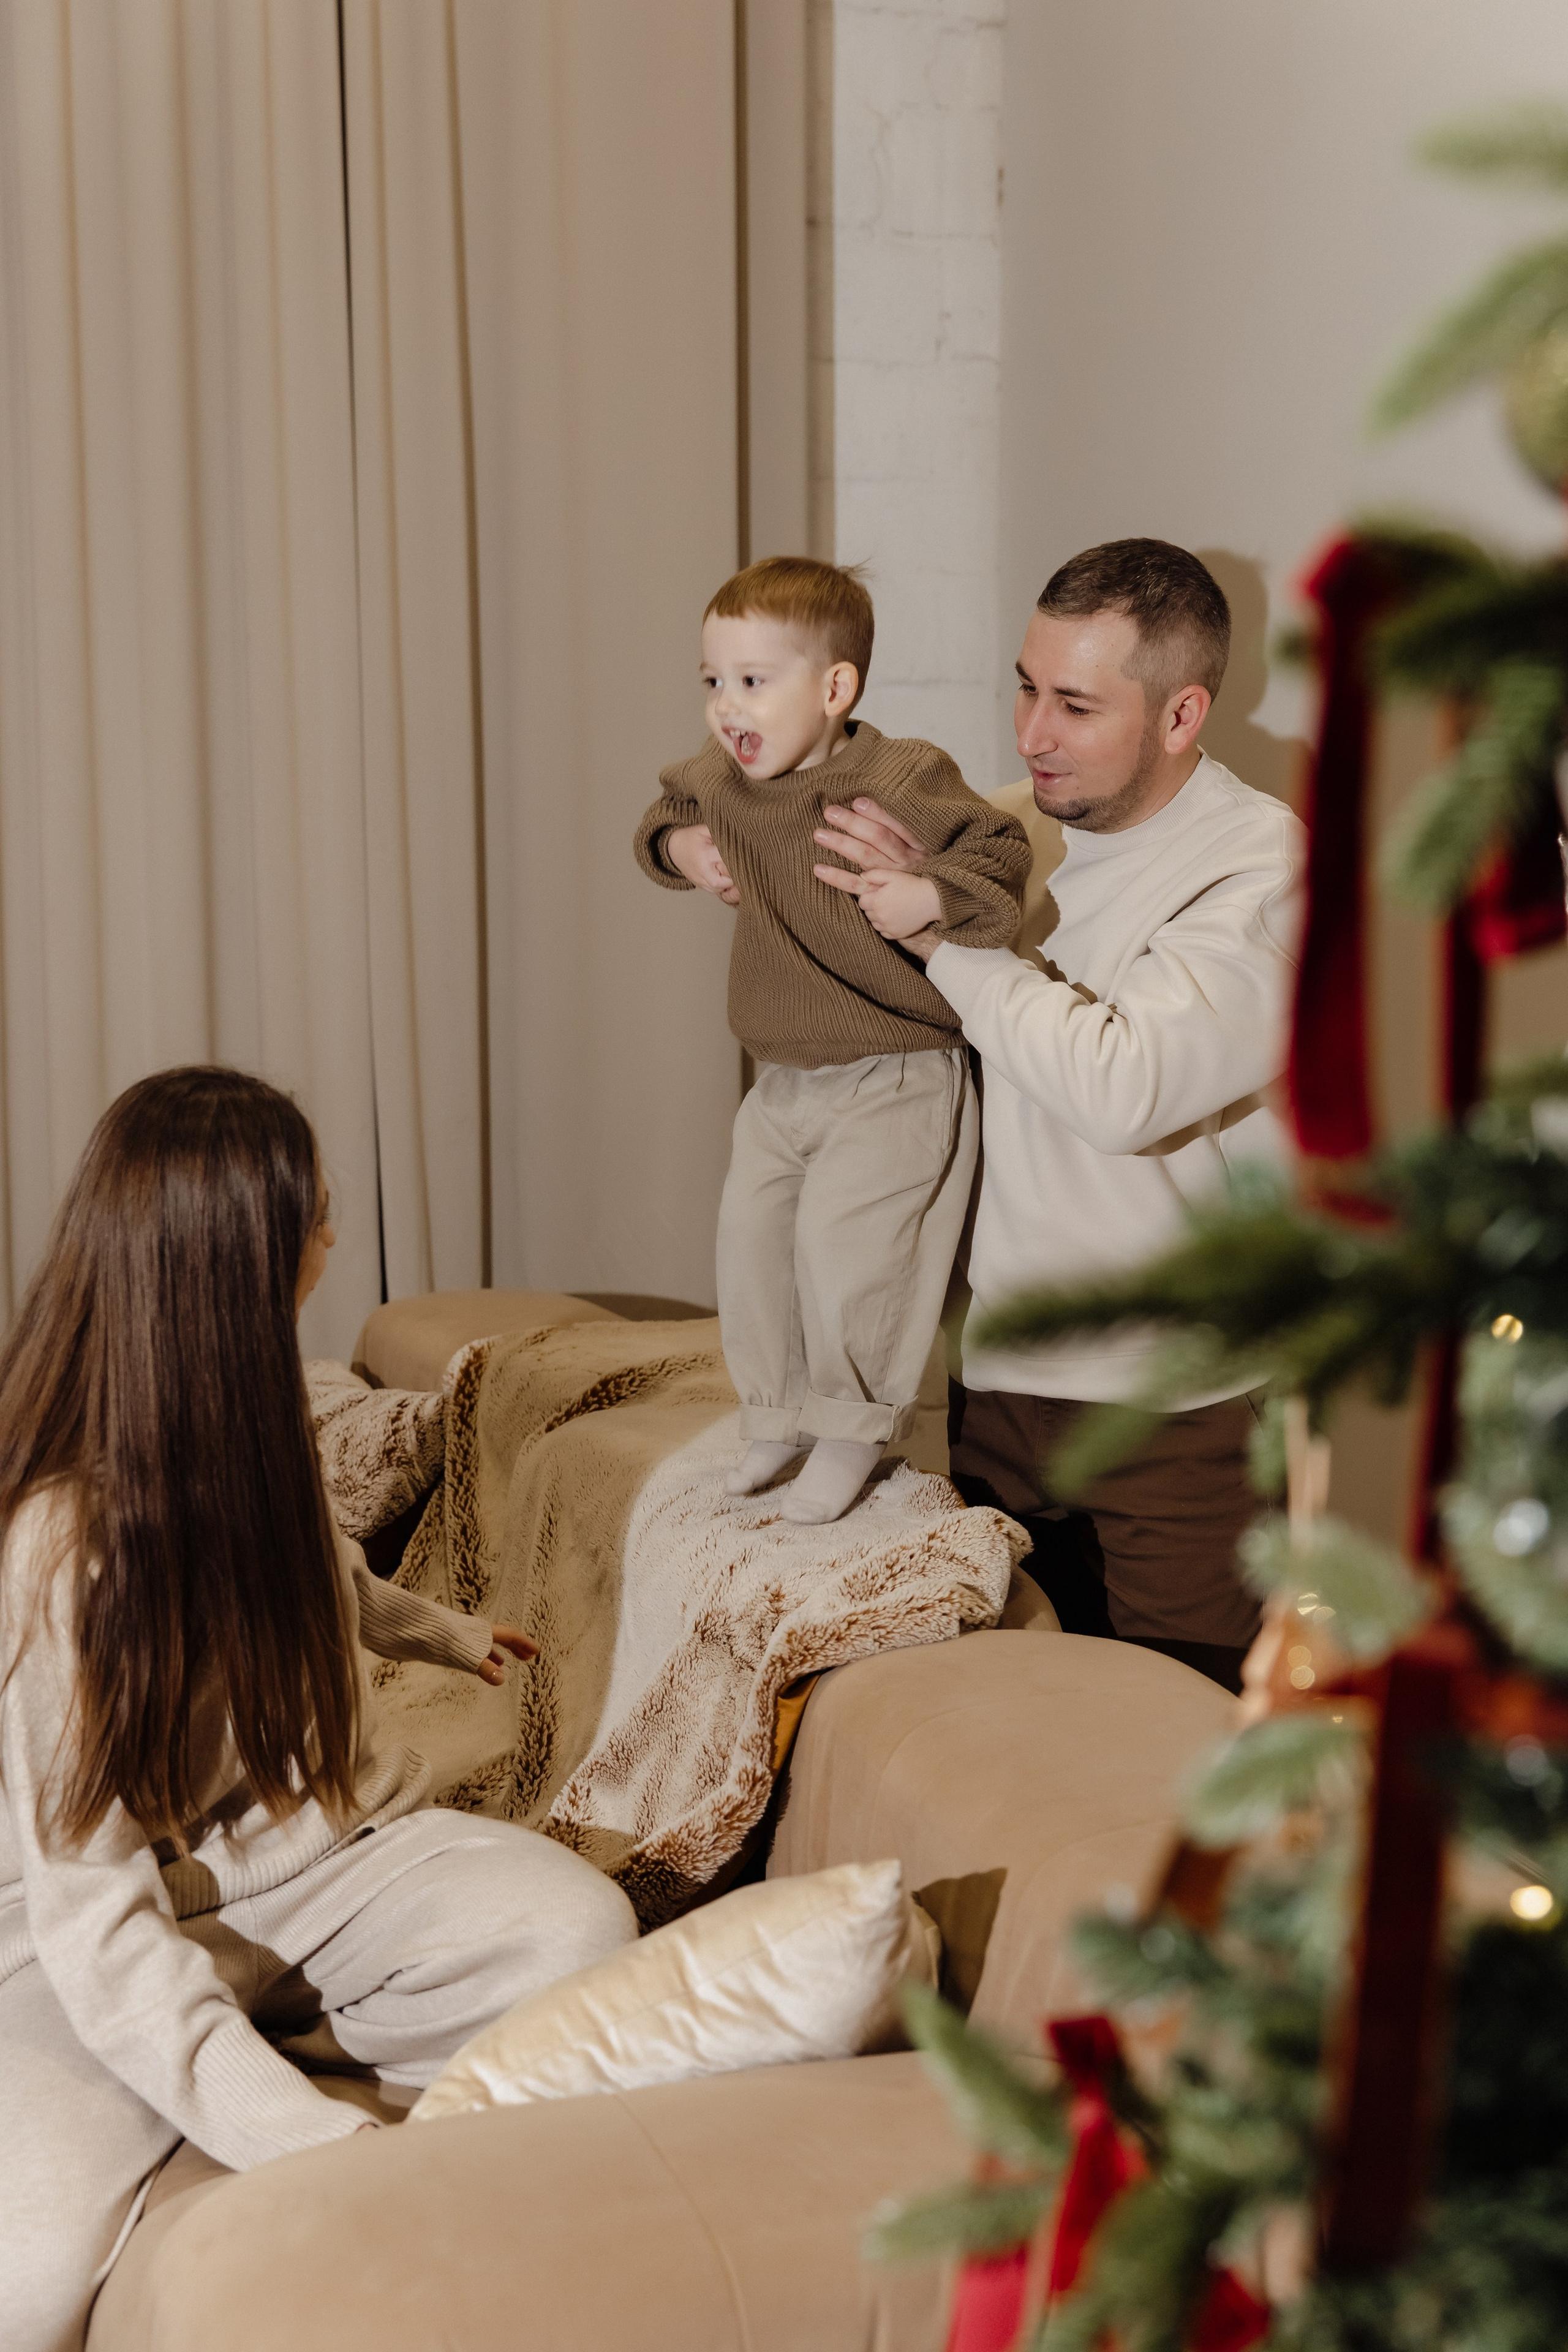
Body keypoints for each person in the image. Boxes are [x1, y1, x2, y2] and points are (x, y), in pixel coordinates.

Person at [0, 1067, 637, 2352]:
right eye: (315, 1222)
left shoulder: (254, 1418)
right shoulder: (63, 1548)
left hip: (313, 1868)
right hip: (85, 1928)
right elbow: (95, 1912)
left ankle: (232, 2026)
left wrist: (443, 1634)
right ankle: (209, 2051)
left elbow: (314, 1578)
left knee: (576, 1930)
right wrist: (317, 2144)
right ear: (235, 1263)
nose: (333, 1239)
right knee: (26, 2275)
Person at [814, 539, 1306, 1688]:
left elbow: (1124, 1088)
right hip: (1004, 1387)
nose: (1033, 732)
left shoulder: (1262, 868)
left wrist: (941, 938)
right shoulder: (1012, 833)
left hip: (1174, 1416)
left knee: (1173, 1748)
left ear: (1183, 714)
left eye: (1076, 705)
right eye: (1027, 687)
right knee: (1010, 1724)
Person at [633, 556, 1030, 1523]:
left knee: (849, 1253)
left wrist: (929, 894)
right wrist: (681, 849)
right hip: (781, 1080)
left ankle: (852, 1431)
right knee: (754, 1245)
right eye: (713, 682)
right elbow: (661, 817)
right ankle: (774, 1416)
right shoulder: (723, 779)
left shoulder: (899, 773)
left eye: (754, 682)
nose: (728, 706)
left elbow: (1002, 850)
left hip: (895, 1070)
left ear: (835, 687)